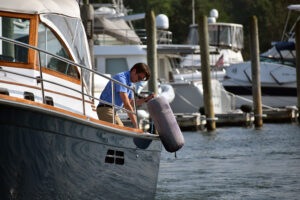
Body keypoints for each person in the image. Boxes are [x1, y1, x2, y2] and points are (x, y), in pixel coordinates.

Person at [97, 63, 154, 129]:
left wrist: (146, 100)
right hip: (105, 109)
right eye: (139, 78)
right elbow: (126, 104)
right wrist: (136, 125)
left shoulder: (130, 83)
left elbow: (131, 103)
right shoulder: (121, 79)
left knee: (122, 132)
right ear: (134, 71)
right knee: (121, 131)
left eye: (141, 80)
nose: (138, 81)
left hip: (111, 110)